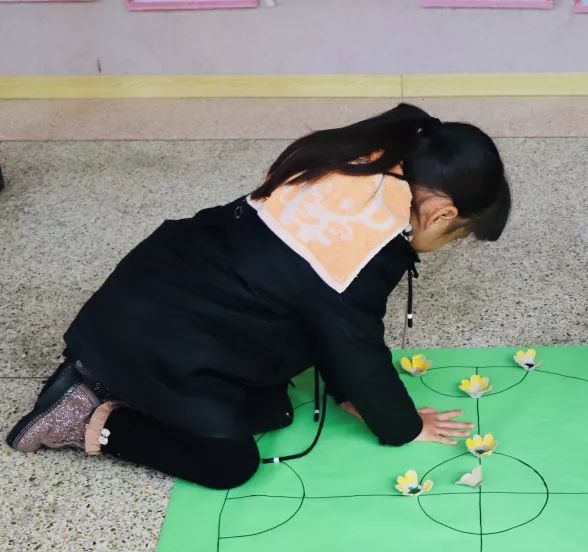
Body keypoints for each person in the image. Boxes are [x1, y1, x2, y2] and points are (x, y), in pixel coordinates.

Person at [7, 104, 511, 490]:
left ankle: (109, 377)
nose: (447, 244)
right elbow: (353, 340)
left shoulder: (359, 170)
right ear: (443, 215)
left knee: (269, 400)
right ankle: (82, 416)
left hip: (161, 291)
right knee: (229, 464)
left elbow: (324, 304)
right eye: (457, 236)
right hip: (157, 335)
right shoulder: (370, 243)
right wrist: (401, 427)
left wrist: (350, 394)